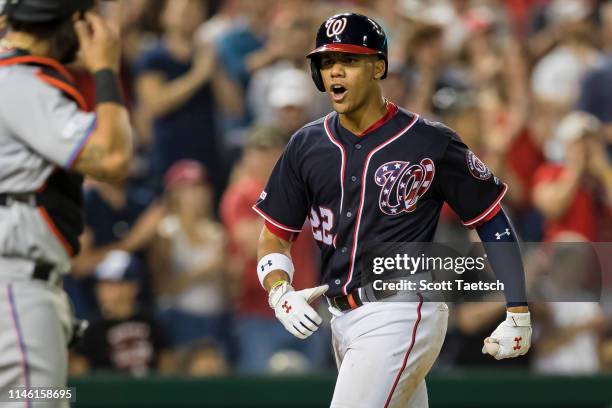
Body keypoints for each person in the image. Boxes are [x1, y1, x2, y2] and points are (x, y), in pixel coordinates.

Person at [253, 13, 532, 407]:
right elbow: (273, 236)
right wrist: (279, 292)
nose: (336, 71)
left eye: (350, 60)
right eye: (328, 62)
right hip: (342, 318)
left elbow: (491, 219)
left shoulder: (429, 141)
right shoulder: (306, 144)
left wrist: (517, 309)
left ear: (378, 67)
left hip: (402, 309)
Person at [0, 0, 132, 406]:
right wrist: (106, 68)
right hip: (17, 287)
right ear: (74, 26)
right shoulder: (20, 83)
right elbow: (113, 158)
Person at [72, 250, 175, 376]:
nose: (104, 289)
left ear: (133, 287)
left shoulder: (152, 323)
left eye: (112, 283)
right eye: (103, 283)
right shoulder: (91, 328)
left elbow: (168, 367)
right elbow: (81, 371)